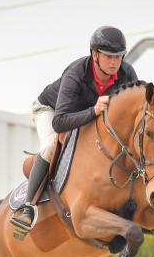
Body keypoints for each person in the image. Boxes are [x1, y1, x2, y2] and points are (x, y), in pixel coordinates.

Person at [10, 25, 138, 233]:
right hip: (50, 110)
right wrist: (94, 111)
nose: (115, 62)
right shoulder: (76, 73)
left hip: (86, 115)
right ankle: (28, 207)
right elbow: (59, 122)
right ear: (94, 54)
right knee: (51, 145)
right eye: (109, 57)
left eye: (119, 56)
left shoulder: (127, 73)